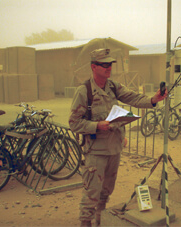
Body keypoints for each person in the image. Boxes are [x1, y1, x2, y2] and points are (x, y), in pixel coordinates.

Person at [69, 48, 168, 227]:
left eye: (110, 64)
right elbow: (74, 123)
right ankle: (86, 223)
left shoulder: (113, 86)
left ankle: (100, 221)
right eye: (104, 64)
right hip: (96, 151)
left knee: (106, 191)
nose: (109, 67)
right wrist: (96, 126)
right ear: (93, 67)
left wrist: (153, 100)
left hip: (114, 148)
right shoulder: (84, 91)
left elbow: (134, 98)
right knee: (92, 193)